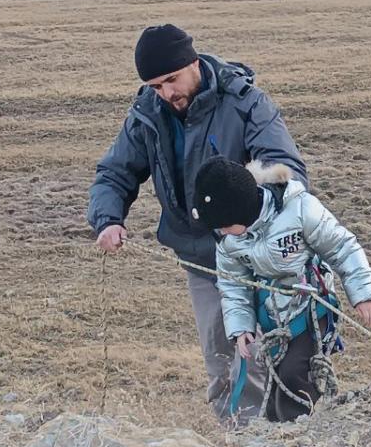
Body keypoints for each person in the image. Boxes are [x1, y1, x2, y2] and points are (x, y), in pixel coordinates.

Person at [87, 24, 307, 425]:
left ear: (193, 63)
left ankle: (285, 444)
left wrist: (246, 211)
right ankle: (241, 444)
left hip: (261, 260)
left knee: (276, 355)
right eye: (155, 86)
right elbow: (114, 173)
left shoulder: (246, 103)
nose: (166, 93)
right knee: (223, 361)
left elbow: (286, 172)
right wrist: (107, 220)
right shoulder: (147, 114)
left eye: (171, 79)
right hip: (203, 264)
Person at [193, 156, 371, 423]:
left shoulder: (299, 210)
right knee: (276, 377)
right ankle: (278, 433)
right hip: (272, 314)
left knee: (295, 372)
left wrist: (363, 295)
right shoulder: (230, 241)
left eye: (225, 225)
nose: (222, 232)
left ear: (242, 210)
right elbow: (233, 285)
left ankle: (301, 433)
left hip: (310, 307)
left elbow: (342, 247)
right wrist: (241, 327)